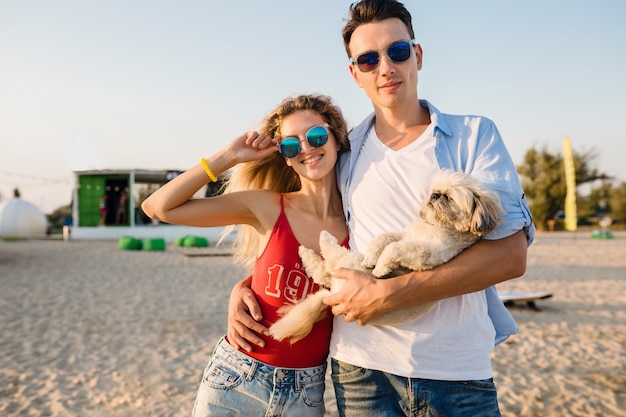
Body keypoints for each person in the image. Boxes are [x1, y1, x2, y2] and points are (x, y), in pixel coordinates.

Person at [227, 1, 536, 416]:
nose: (385, 67)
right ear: (355, 73)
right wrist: (247, 287)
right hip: (360, 371)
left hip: (455, 371)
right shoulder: (343, 151)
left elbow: (511, 256)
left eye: (398, 51)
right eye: (369, 59)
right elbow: (305, 221)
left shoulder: (472, 136)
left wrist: (386, 295)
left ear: (418, 55)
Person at [141, 94, 350, 417]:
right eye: (292, 145)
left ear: (336, 137)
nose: (307, 148)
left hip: (306, 392)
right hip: (237, 378)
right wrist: (228, 156)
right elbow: (158, 207)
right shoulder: (266, 206)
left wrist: (244, 284)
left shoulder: (359, 220)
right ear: (285, 157)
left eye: (317, 136)